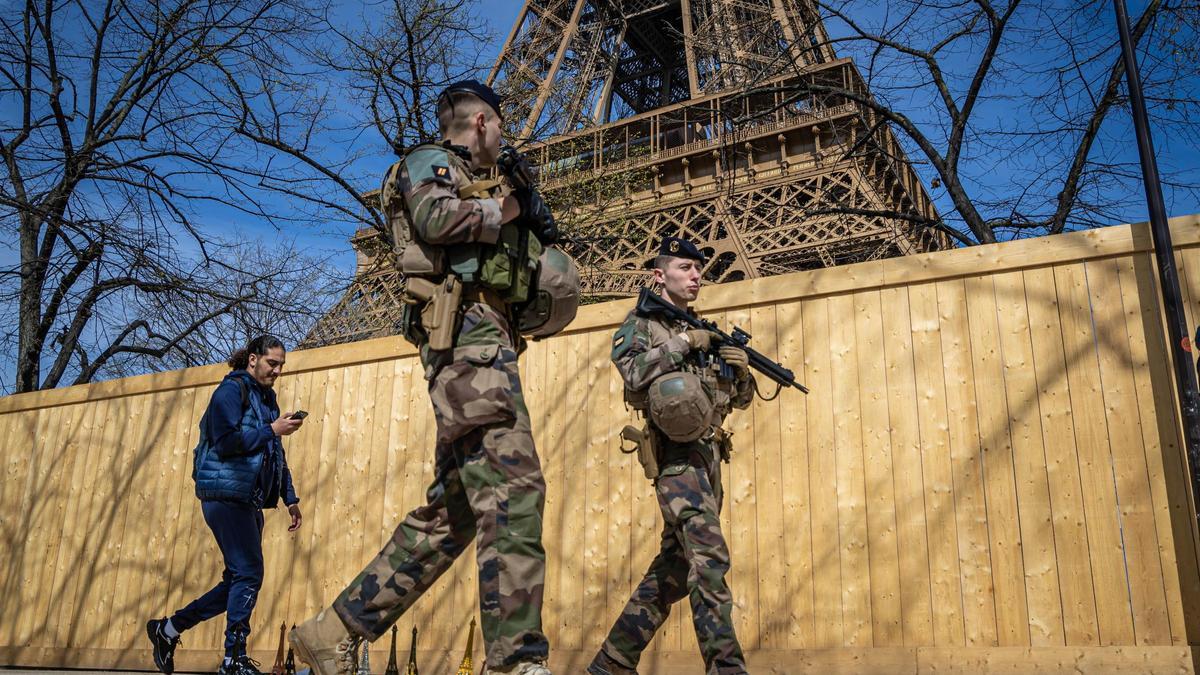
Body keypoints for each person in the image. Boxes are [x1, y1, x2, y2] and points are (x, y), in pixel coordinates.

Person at [290, 80, 555, 675]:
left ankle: (334, 631)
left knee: (454, 512)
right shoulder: (430, 162)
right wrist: (513, 206)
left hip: (481, 344)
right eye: (502, 127)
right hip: (466, 343)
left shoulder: (475, 174)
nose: (505, 139)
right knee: (514, 492)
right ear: (482, 122)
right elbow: (436, 220)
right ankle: (515, 660)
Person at [587, 237, 754, 675]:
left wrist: (740, 372)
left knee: (676, 570)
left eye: (699, 269)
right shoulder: (643, 324)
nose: (697, 275)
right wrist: (684, 341)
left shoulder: (703, 329)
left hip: (709, 457)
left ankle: (610, 664)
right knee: (709, 559)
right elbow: (633, 370)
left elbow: (732, 400)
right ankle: (727, 668)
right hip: (676, 459)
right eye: (686, 267)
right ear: (660, 275)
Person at [146, 334, 305, 675]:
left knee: (238, 579)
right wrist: (271, 429)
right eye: (271, 363)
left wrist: (289, 497)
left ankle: (168, 629)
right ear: (252, 359)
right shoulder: (231, 391)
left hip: (249, 498)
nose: (276, 370)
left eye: (281, 365)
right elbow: (227, 441)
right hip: (223, 494)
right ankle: (233, 659)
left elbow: (274, 452)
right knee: (249, 573)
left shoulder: (267, 400)